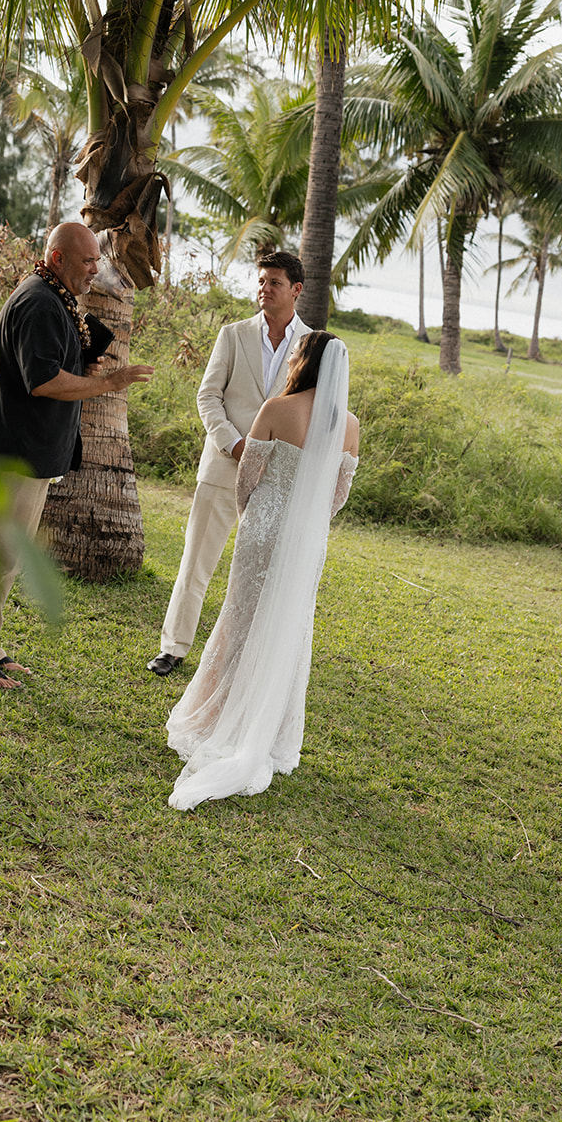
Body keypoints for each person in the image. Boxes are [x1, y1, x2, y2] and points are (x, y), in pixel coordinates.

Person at [0, 221, 153, 690]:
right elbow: (41, 381)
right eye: (88, 261)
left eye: (96, 260)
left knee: (8, 555)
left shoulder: (51, 295)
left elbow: (50, 364)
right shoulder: (40, 302)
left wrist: (83, 363)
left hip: (28, 451)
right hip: (13, 453)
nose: (95, 269)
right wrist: (107, 383)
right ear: (58, 258)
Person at [165, 331, 359, 810]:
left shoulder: (277, 408)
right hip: (307, 541)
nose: (291, 356)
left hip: (262, 532)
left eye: (297, 352)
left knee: (239, 622)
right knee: (288, 629)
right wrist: (307, 528)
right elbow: (338, 497)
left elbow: (247, 478)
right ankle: (268, 733)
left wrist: (256, 519)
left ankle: (214, 723)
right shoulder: (350, 426)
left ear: (307, 362)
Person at [146, 249, 311, 676]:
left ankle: (249, 658)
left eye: (274, 282)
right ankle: (173, 647)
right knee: (196, 561)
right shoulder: (233, 335)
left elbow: (308, 409)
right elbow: (207, 397)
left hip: (274, 478)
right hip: (223, 467)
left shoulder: (312, 345)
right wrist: (235, 445)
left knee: (261, 575)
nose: (264, 288)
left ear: (295, 289)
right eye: (261, 281)